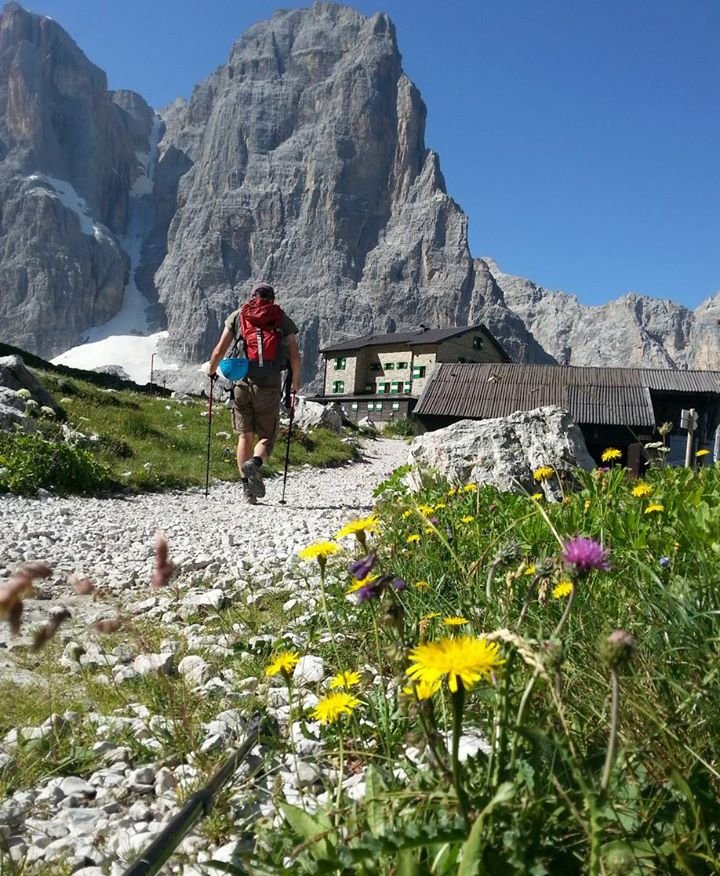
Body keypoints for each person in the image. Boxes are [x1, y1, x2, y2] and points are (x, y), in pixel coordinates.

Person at [206, 283, 301, 504]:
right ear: (273, 299)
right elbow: (295, 356)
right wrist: (295, 384)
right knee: (266, 437)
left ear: (252, 297)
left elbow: (220, 349)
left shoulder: (238, 315)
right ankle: (255, 463)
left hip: (241, 383)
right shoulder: (281, 318)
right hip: (269, 385)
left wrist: (211, 371)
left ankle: (247, 491)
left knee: (244, 436)